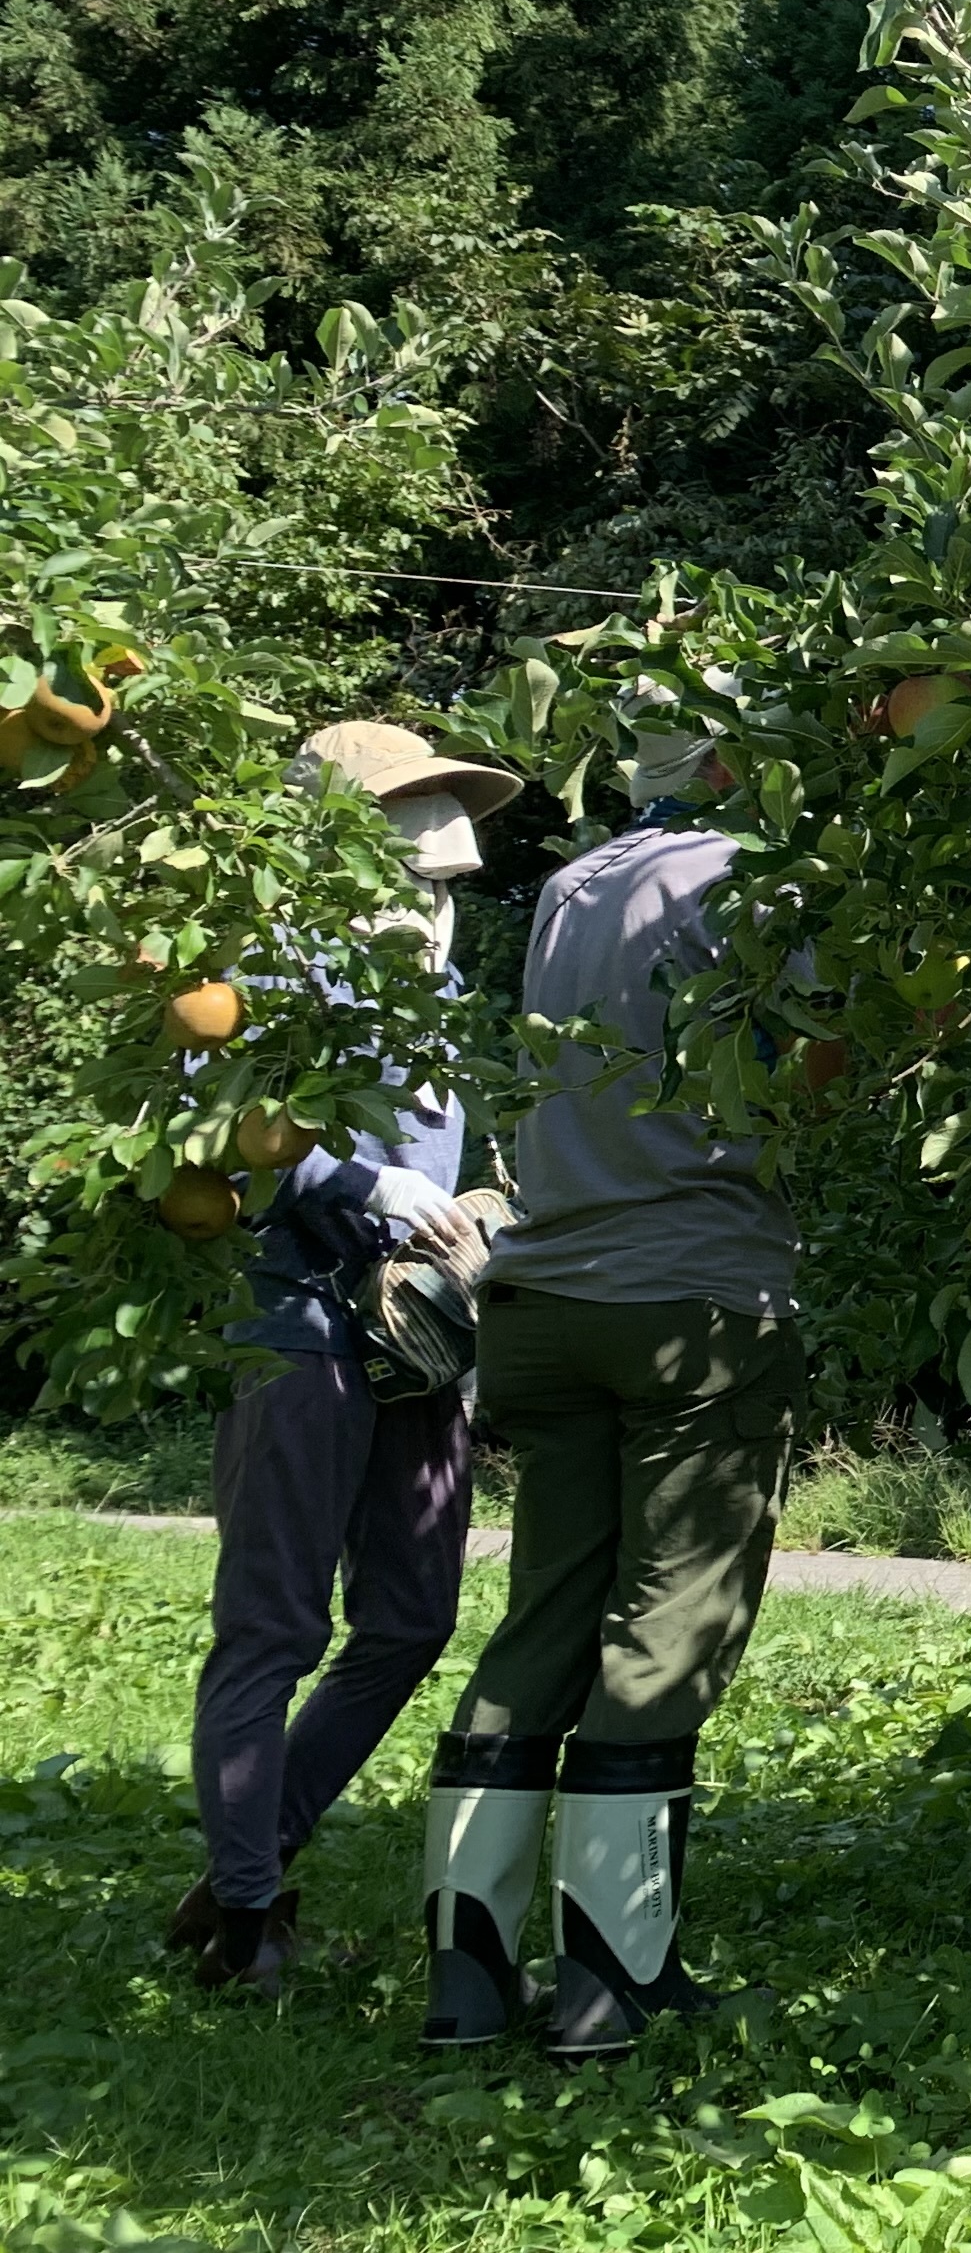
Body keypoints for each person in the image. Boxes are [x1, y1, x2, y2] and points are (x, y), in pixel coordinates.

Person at [420, 709, 804, 2058]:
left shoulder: (574, 886)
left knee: (546, 1614)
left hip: (544, 1296)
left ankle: (467, 1976)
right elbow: (818, 1057)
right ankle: (609, 1977)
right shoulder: (757, 879)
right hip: (689, 1295)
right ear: (734, 769)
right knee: (670, 1619)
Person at [171, 719, 520, 1998]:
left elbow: (428, 1178)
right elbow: (219, 1126)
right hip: (300, 1338)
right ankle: (251, 1921)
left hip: (414, 1355)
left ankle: (244, 1865)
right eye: (408, 815)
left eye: (443, 822)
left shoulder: (436, 985)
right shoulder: (273, 972)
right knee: (270, 1629)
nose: (437, 855)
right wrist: (362, 1182)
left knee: (413, 1618)